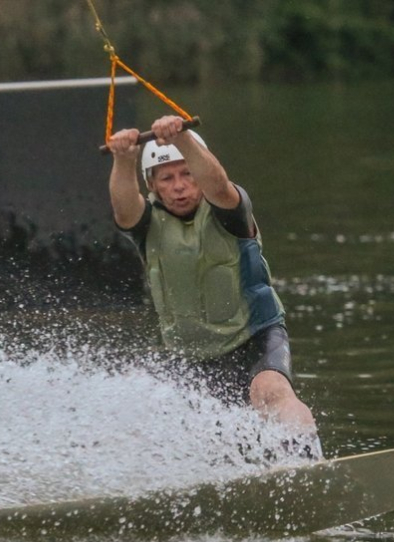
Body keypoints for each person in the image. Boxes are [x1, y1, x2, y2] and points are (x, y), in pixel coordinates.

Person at [106, 115, 321, 458]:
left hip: (253, 336)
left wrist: (183, 140)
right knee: (165, 425)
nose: (178, 186)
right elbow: (123, 208)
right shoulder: (146, 223)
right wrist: (123, 159)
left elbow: (218, 185)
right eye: (167, 178)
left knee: (270, 391)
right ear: (154, 185)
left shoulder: (228, 209)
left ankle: (307, 462)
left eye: (186, 174)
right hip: (190, 355)